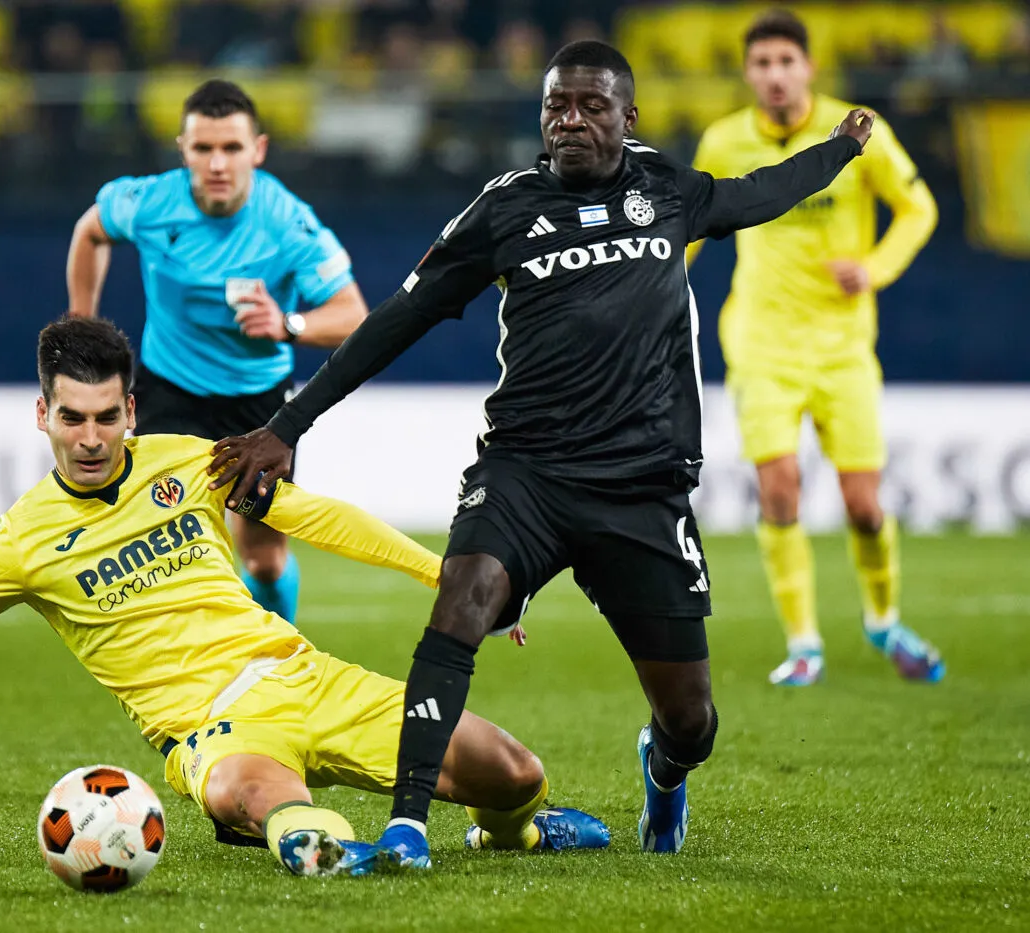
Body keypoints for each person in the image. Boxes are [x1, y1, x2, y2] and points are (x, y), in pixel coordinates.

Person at [210, 40, 874, 867]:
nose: (570, 120)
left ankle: (663, 773)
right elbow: (394, 322)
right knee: (461, 603)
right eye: (556, 105)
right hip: (525, 472)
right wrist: (291, 422)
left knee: (692, 720)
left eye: (592, 106)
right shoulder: (506, 208)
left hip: (642, 488)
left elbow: (761, 193)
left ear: (626, 117)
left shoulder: (667, 190)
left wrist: (841, 149)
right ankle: (409, 824)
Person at [0, 318, 609, 878]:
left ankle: (509, 838)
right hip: (211, 730)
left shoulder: (192, 461)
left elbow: (320, 518)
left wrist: (445, 578)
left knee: (516, 773)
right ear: (42, 415)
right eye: (71, 417)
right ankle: (315, 842)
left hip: (306, 674)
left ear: (131, 409)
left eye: (106, 416)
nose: (90, 438)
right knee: (260, 795)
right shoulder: (20, 541)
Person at [686, 10, 942, 688]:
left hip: (843, 348)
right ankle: (804, 643)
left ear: (809, 68)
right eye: (762, 64)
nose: (774, 75)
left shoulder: (857, 132)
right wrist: (653, 283)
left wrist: (876, 267)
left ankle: (883, 619)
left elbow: (920, 209)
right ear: (747, 73)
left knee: (864, 505)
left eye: (785, 62)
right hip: (761, 346)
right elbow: (689, 227)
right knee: (779, 491)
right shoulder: (724, 139)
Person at [66, 78, 369, 627]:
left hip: (257, 407)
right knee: (161, 554)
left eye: (231, 147)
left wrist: (287, 324)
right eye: (203, 148)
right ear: (183, 150)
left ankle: (277, 666)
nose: (217, 163)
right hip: (168, 394)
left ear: (258, 150)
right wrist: (82, 320)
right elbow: (91, 230)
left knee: (264, 558)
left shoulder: (288, 223)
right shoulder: (152, 202)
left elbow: (353, 315)